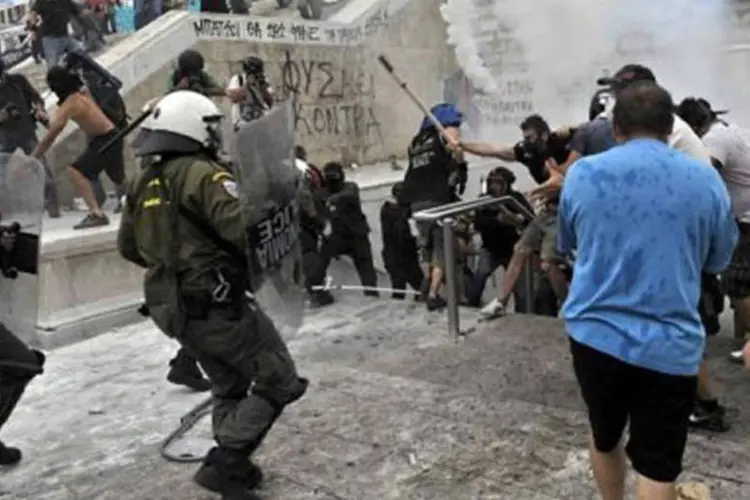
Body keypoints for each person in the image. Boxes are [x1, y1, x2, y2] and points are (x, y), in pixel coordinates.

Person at [117, 90, 308, 498]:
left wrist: (175, 264)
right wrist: (274, 192)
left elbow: (129, 248)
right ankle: (227, 460)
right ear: (189, 127)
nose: (213, 134)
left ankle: (234, 472)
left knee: (229, 385)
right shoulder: (204, 175)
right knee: (279, 380)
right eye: (208, 126)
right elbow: (242, 230)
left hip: (177, 312)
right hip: (221, 308)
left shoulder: (142, 182)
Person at [559, 81, 737, 500]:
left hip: (594, 335)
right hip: (668, 344)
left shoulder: (583, 173)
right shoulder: (704, 179)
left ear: (616, 128)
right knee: (657, 464)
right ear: (668, 126)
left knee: (604, 436)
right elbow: (717, 260)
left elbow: (569, 243)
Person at [677, 97, 750, 366]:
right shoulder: (731, 129)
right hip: (743, 217)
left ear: (695, 126)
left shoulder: (713, 141)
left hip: (745, 220)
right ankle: (743, 345)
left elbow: (703, 177)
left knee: (736, 284)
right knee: (743, 282)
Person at [32, 66, 123, 229]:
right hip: (110, 135)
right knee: (118, 177)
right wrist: (46, 120)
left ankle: (96, 214)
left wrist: (34, 157)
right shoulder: (82, 93)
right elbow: (55, 124)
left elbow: (51, 136)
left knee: (77, 171)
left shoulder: (70, 104)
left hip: (105, 140)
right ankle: (132, 203)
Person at [400, 103, 467, 311]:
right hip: (437, 201)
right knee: (441, 249)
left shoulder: (416, 142)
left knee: (427, 249)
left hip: (415, 203)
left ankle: (428, 288)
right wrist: (460, 160)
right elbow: (455, 148)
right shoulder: (444, 133)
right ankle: (433, 294)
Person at [466, 166, 533, 308]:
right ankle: (470, 307)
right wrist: (498, 221)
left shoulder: (515, 198)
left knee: (520, 288)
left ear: (507, 184)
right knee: (480, 276)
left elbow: (530, 218)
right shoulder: (484, 200)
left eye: (498, 183)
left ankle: (522, 314)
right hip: (491, 249)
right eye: (492, 182)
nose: (494, 186)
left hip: (512, 249)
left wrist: (516, 219)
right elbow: (478, 223)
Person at [0, 59, 60, 218]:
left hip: (26, 131)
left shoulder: (17, 80)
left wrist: (39, 110)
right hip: (4, 136)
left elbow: (36, 97)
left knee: (41, 168)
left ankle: (52, 205)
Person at [318, 162, 379, 297]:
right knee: (320, 263)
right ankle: (318, 291)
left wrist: (332, 199)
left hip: (356, 234)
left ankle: (371, 293)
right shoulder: (321, 193)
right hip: (337, 236)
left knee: (366, 268)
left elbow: (350, 195)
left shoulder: (350, 188)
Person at [296, 147, 333, 307]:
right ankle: (317, 293)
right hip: (301, 222)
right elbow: (305, 198)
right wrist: (319, 220)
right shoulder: (301, 170)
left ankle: (311, 291)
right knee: (309, 255)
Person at [380, 182, 424, 300]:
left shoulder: (387, 209)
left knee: (401, 288)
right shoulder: (397, 211)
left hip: (395, 255)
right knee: (416, 287)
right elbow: (404, 232)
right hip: (402, 256)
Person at [227, 56, 274, 130]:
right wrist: (247, 85)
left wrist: (262, 87)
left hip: (260, 122)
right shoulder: (238, 79)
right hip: (242, 123)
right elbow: (233, 98)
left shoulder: (263, 79)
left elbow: (270, 102)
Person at [30, 0, 82, 68]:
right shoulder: (42, 1)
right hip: (50, 39)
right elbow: (33, 13)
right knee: (52, 65)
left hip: (65, 36)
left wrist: (93, 11)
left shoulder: (65, 1)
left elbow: (79, 12)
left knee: (81, 54)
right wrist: (33, 30)